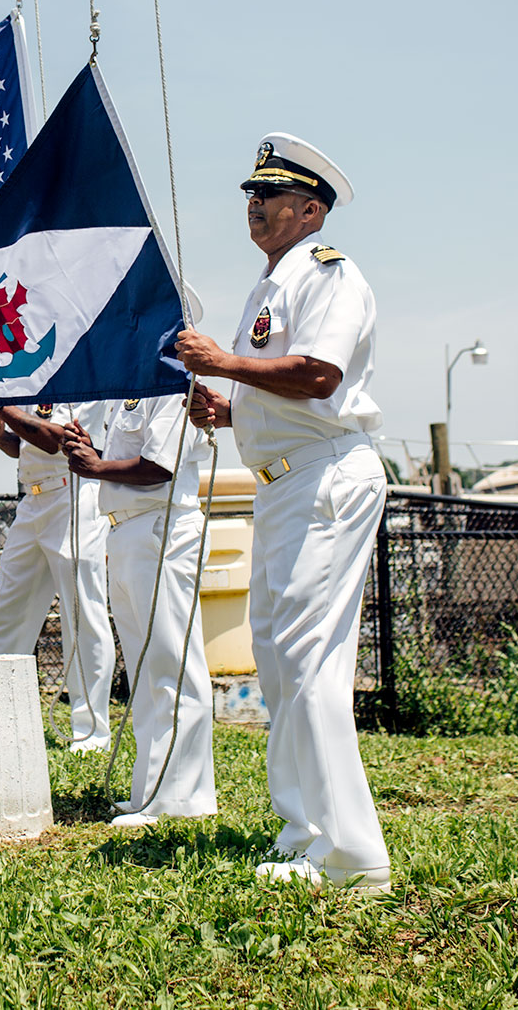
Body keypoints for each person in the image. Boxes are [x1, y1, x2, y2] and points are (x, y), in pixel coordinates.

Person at [174, 132, 392, 893]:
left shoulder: (329, 272)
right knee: (278, 656)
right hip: (282, 481)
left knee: (308, 660)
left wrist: (224, 364)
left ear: (310, 209)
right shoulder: (268, 287)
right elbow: (274, 390)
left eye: (268, 195)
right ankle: (304, 832)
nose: (254, 204)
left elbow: (320, 373)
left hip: (326, 478)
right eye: (249, 193)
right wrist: (225, 409)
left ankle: (353, 854)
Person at [62, 390, 216, 826]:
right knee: (146, 673)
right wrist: (92, 452)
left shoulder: (169, 382)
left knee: (171, 666)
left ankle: (180, 798)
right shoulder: (132, 389)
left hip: (159, 525)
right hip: (128, 529)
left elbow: (159, 466)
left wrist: (97, 467)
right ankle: (151, 791)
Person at [0, 402, 116, 751]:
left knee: (82, 614)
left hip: (74, 494)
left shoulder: (84, 378)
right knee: (9, 609)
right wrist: (0, 436)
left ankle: (90, 733)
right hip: (33, 497)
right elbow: (26, 445)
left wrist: (5, 409)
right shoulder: (32, 383)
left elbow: (59, 441)